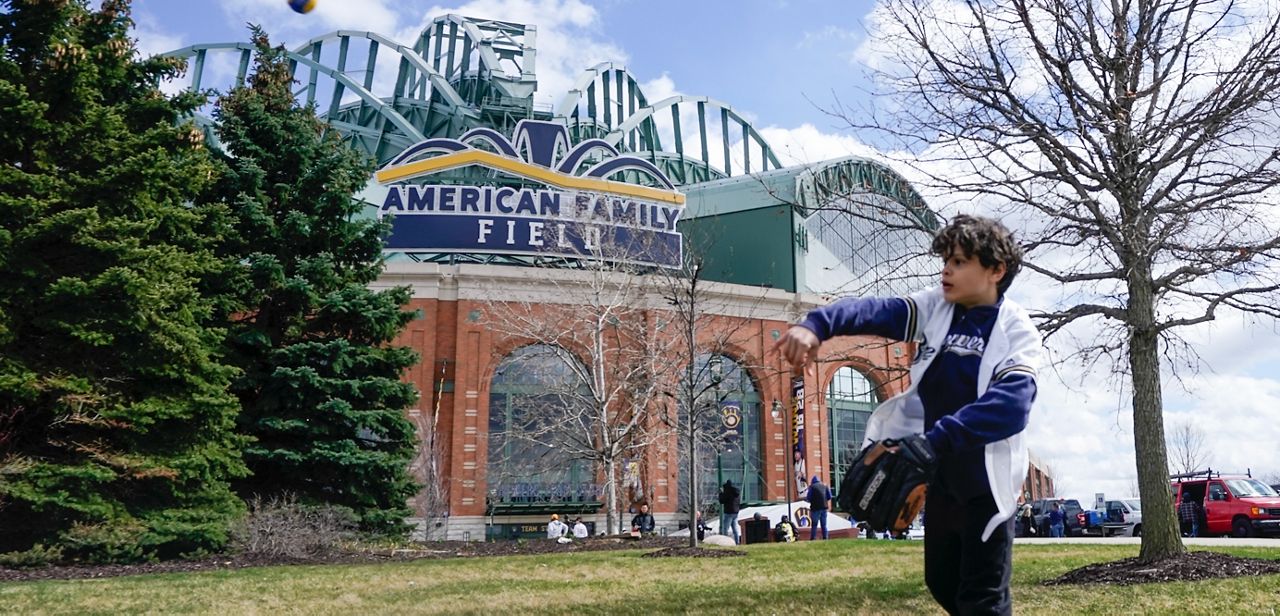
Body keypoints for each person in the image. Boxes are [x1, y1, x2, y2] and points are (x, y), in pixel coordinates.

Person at [774, 215, 1041, 615]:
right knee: (941, 582)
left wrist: (935, 441)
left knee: (983, 599)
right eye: (945, 259)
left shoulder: (1015, 331)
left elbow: (1012, 405)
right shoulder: (937, 307)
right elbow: (873, 311)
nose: (946, 269)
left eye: (960, 261)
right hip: (936, 480)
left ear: (995, 270)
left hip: (985, 488)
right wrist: (817, 325)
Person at [806, 475, 832, 540]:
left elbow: (809, 497)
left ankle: (813, 538)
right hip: (824, 508)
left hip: (815, 508)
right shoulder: (825, 486)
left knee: (814, 525)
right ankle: (825, 537)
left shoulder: (812, 487)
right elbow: (830, 496)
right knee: (824, 524)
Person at [718, 480, 741, 544]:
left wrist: (721, 493)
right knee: (735, 529)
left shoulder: (728, 492)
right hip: (736, 512)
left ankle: (725, 542)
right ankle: (737, 542)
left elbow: (722, 501)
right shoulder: (737, 492)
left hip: (728, 512)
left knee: (725, 528)